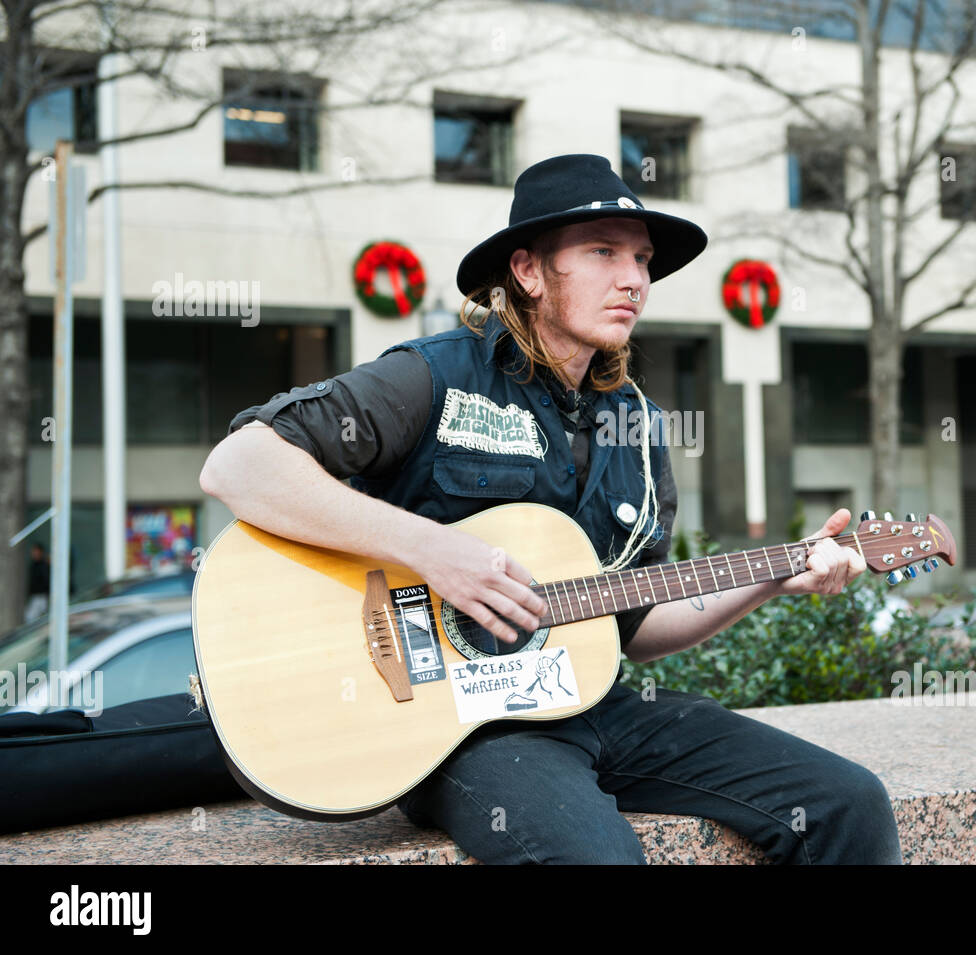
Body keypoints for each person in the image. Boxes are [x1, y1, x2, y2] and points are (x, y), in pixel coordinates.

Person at [200, 153, 902, 865]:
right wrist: (432, 550)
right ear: (530, 272)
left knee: (850, 802)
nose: (634, 278)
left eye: (643, 259)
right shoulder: (435, 375)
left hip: (596, 702)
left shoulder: (638, 425)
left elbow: (633, 622)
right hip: (466, 728)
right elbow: (238, 465)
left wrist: (774, 576)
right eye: (603, 252)